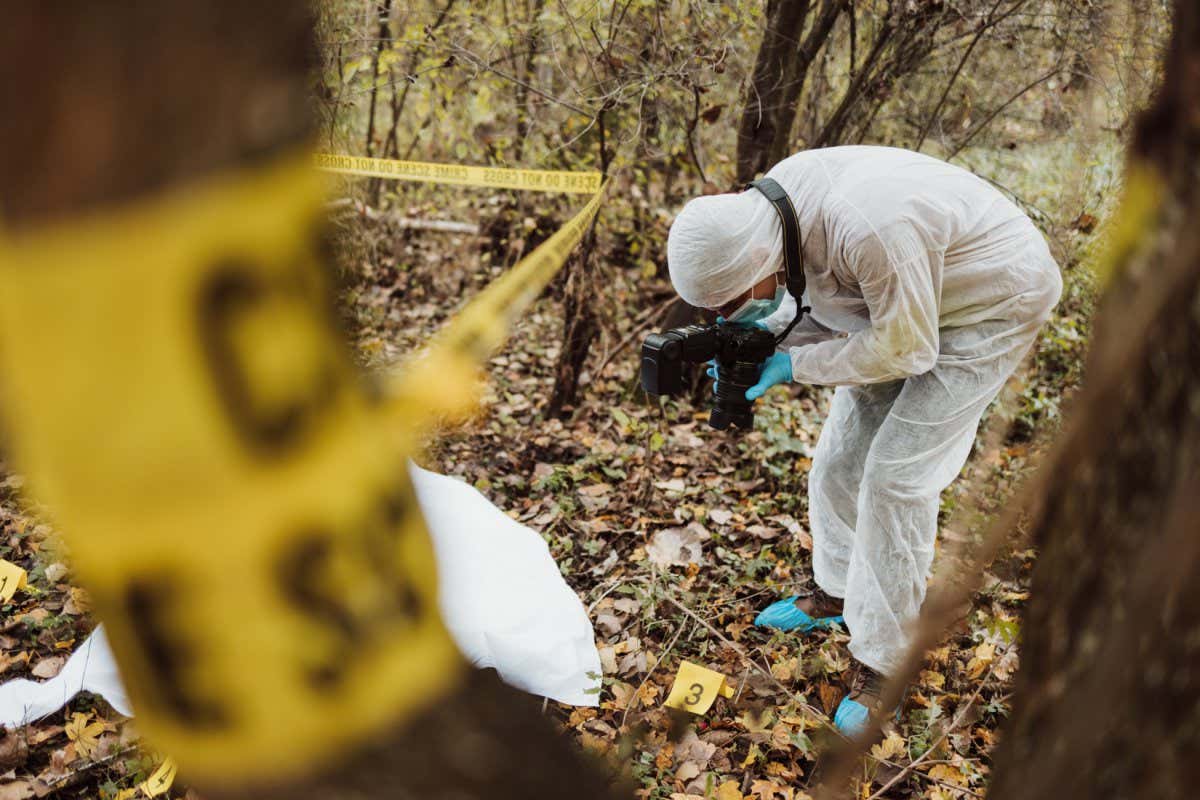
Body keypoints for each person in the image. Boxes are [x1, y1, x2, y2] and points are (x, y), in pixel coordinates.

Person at [665, 146, 1062, 735]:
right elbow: (817, 300)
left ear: (754, 260)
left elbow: (908, 349)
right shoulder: (777, 210)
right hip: (904, 302)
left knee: (896, 478)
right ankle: (834, 593)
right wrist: (754, 343)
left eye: (730, 303)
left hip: (994, 300)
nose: (729, 313)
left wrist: (792, 365)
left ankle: (884, 664)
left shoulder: (871, 227)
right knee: (838, 462)